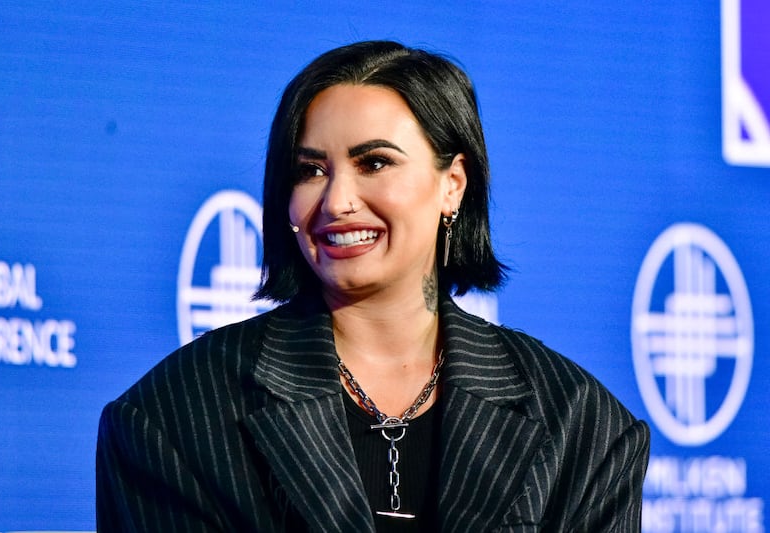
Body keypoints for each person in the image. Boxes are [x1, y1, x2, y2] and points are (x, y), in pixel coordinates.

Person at [96, 40, 650, 532]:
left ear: (453, 185)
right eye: (310, 170)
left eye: (375, 163)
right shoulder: (173, 415)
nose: (337, 201)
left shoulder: (578, 423)